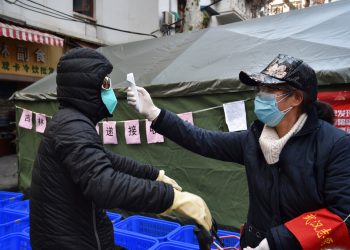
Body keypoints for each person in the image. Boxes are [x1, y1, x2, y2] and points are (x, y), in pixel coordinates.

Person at [127, 54, 350, 249]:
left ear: (297, 98)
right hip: (253, 243)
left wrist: (277, 242)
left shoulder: (335, 146)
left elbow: (343, 214)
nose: (261, 95)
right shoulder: (254, 140)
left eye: (270, 89)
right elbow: (202, 140)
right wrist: (154, 113)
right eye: (259, 88)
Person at [29, 48, 212, 250]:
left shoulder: (70, 122)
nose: (111, 90)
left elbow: (107, 160)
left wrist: (155, 175)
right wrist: (173, 199)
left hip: (82, 235)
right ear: (87, 87)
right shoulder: (72, 126)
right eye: (105, 84)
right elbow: (104, 184)